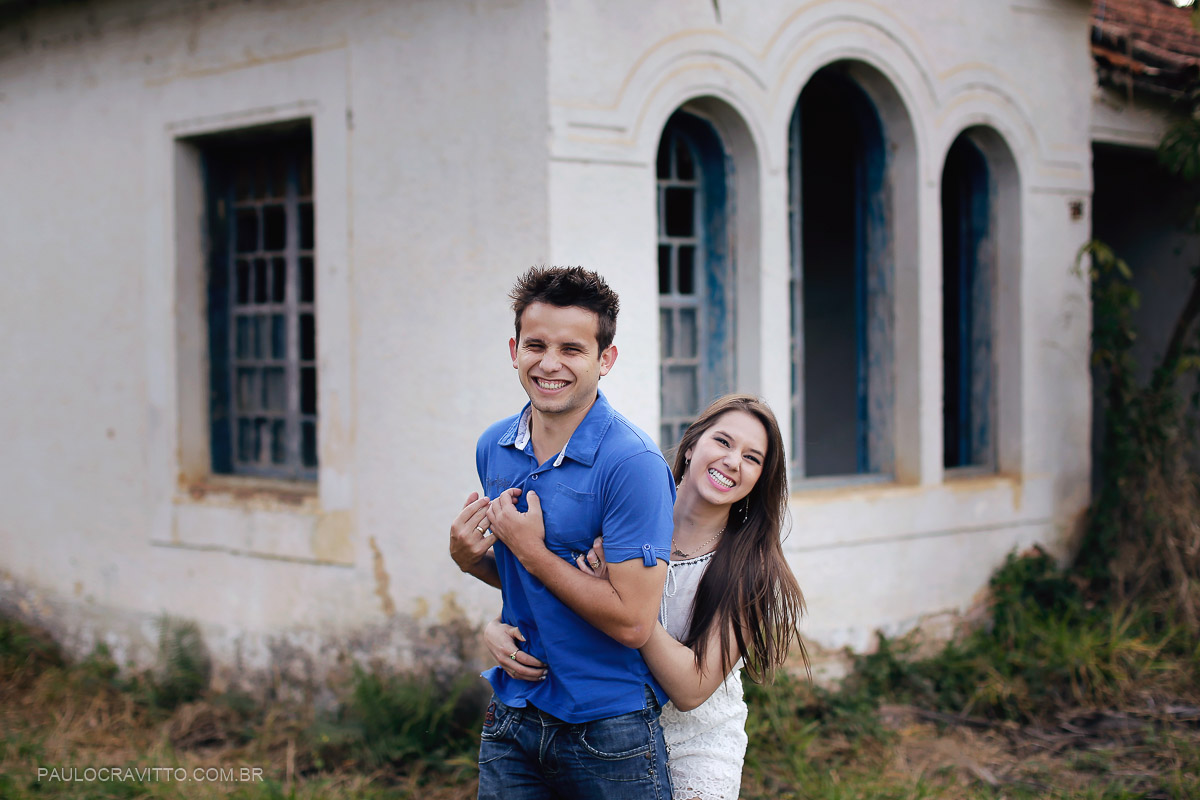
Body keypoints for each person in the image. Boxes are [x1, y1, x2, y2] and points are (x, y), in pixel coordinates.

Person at [484, 394, 808, 800]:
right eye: (723, 442)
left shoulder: (751, 568)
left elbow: (692, 690)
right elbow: (558, 589)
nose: (732, 461)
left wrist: (627, 606)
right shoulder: (628, 504)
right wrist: (496, 627)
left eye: (752, 458)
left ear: (760, 478)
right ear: (691, 446)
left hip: (696, 741)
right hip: (606, 723)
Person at [448, 266, 678, 800]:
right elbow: (525, 586)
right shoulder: (494, 446)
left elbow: (632, 623)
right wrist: (470, 559)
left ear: (606, 359)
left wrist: (531, 552)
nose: (549, 364)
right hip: (513, 714)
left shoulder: (633, 465)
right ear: (514, 349)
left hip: (606, 727)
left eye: (572, 349)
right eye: (536, 345)